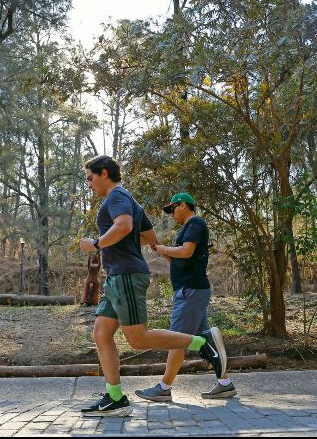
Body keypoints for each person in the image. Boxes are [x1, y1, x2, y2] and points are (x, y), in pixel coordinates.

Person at [78, 156, 227, 418]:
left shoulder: (116, 196)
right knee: (101, 334)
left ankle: (202, 343)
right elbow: (148, 236)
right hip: (116, 276)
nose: (89, 184)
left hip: (126, 275)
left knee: (138, 339)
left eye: (90, 178)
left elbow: (124, 226)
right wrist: (124, 243)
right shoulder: (129, 201)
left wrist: (97, 243)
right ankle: (114, 397)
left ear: (103, 173)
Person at [135, 192, 237, 402]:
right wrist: (161, 250)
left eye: (172, 209)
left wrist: (165, 248)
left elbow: (187, 252)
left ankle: (164, 387)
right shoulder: (187, 229)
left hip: (190, 292)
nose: (171, 214)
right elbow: (178, 261)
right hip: (191, 291)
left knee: (177, 340)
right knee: (206, 342)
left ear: (183, 205)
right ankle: (225, 384)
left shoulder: (195, 223)